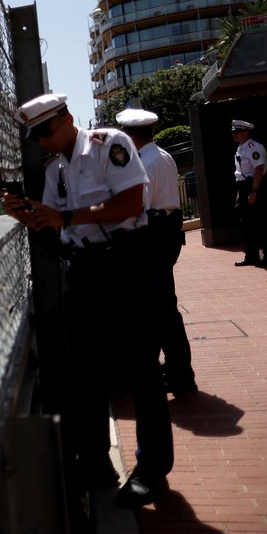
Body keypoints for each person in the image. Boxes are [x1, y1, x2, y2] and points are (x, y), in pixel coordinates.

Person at [3, 93, 173, 508]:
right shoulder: (56, 170)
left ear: (67, 119)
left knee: (142, 370)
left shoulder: (108, 144)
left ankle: (153, 471)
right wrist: (32, 215)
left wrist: (66, 217)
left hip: (126, 264)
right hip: (84, 270)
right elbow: (57, 228)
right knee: (87, 372)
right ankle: (97, 462)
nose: (42, 140)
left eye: (46, 130)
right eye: (35, 135)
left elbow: (132, 202)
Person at [117, 108, 197, 396]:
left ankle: (180, 376)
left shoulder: (142, 164)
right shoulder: (161, 156)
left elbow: (135, 209)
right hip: (166, 233)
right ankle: (175, 370)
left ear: (128, 135)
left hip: (152, 236)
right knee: (161, 306)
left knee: (160, 310)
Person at [231, 120, 265, 267]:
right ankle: (251, 255)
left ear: (246, 132)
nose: (234, 134)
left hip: (253, 186)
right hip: (244, 187)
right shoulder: (241, 148)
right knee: (247, 224)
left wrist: (254, 191)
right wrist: (242, 192)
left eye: (236, 132)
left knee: (260, 222)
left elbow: (259, 169)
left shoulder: (253, 147)